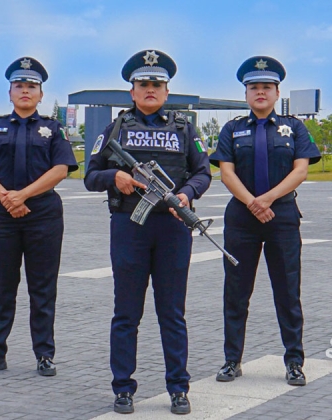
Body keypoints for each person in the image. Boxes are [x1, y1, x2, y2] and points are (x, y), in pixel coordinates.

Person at [84, 49, 211, 415]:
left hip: (172, 227)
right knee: (126, 312)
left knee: (172, 313)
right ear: (132, 91)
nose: (150, 89)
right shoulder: (116, 129)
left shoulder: (185, 129)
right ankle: (123, 388)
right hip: (129, 227)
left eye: (157, 84)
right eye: (143, 84)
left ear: (167, 91)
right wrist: (116, 177)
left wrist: (186, 194)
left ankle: (178, 388)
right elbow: (90, 175)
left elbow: (204, 172)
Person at [209, 56, 320, 386]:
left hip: (281, 215)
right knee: (236, 291)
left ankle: (294, 361)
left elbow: (300, 169)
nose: (260, 92)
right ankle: (232, 360)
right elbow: (225, 172)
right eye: (254, 87)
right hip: (242, 218)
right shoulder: (232, 129)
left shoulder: (295, 128)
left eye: (266, 87)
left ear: (276, 92)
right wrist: (252, 202)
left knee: (287, 291)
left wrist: (268, 199)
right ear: (246, 94)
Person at [0, 57, 78, 376]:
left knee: (42, 288)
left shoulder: (54, 129)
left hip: (42, 215)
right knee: (2, 287)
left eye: (32, 87)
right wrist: (7, 197)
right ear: (10, 92)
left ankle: (44, 354)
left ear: (41, 94)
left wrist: (23, 195)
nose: (25, 91)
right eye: (19, 86)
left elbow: (60, 169)